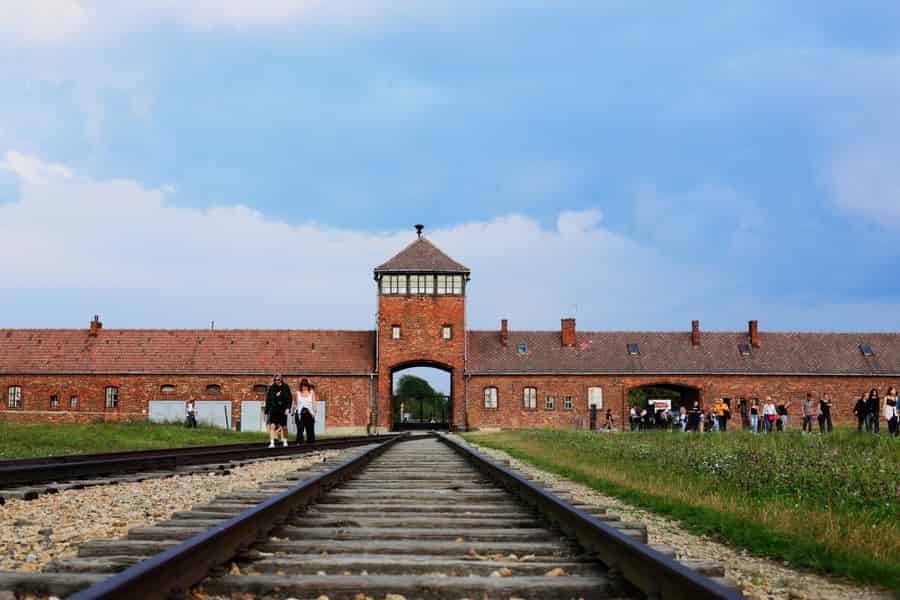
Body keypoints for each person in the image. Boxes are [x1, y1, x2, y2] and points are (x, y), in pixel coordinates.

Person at [265, 374, 292, 448]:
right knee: (272, 426)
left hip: (283, 409)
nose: (277, 381)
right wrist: (267, 411)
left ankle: (285, 441)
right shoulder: (272, 388)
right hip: (274, 409)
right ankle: (272, 442)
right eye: (275, 380)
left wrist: (288, 408)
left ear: (281, 380)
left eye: (278, 380)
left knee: (284, 427)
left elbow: (289, 398)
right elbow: (268, 399)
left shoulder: (286, 387)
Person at [292, 378, 317, 444]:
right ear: (301, 386)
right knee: (300, 428)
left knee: (310, 429)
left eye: (305, 385)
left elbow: (314, 402)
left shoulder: (311, 392)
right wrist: (293, 411)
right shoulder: (297, 393)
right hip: (299, 413)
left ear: (308, 385)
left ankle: (310, 442)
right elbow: (295, 403)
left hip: (309, 413)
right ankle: (299, 441)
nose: (304, 387)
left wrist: (314, 412)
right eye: (303, 385)